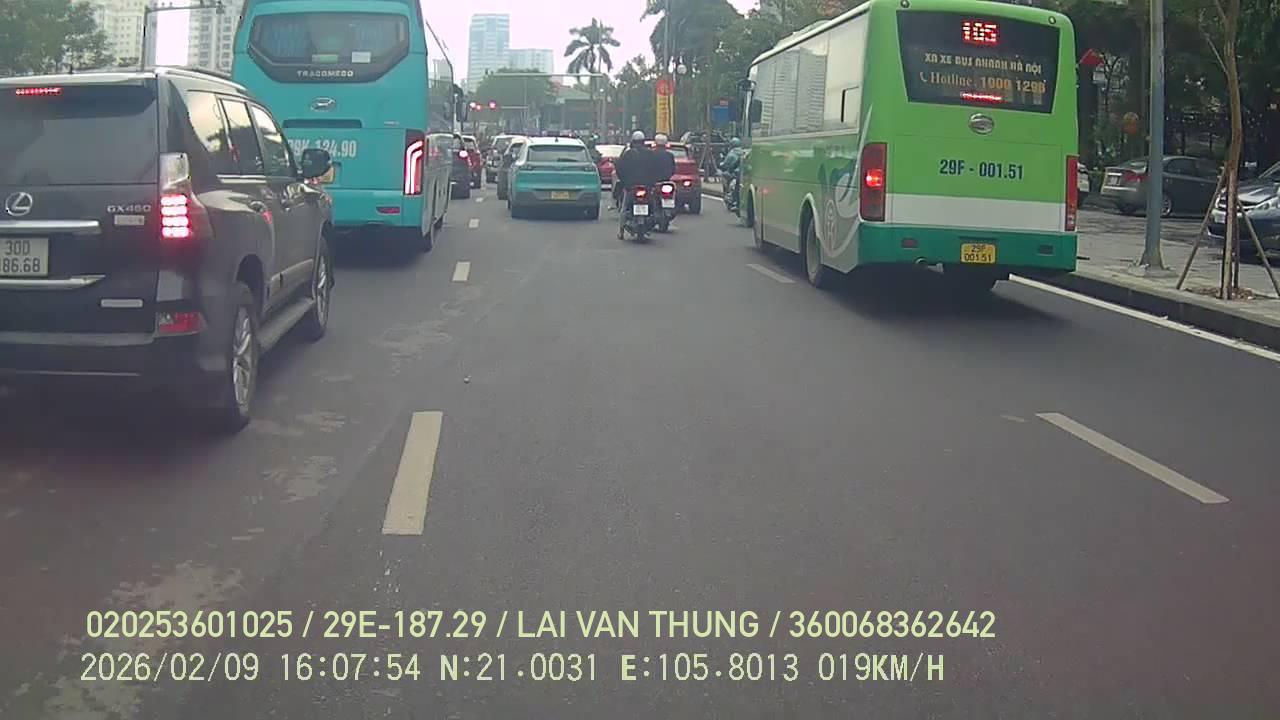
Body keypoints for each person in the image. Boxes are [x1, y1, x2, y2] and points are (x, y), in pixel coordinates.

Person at [613, 131, 664, 235]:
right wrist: (652, 182)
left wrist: (625, 182)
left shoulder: (628, 154)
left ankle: (621, 232)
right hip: (647, 186)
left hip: (631, 187)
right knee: (654, 206)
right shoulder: (650, 154)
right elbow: (657, 170)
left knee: (624, 208)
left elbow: (619, 169)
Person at [719, 137, 745, 208]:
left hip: (735, 174)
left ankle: (729, 195)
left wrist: (723, 166)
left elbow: (726, 164)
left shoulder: (731, 153)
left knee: (724, 175)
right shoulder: (743, 152)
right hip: (743, 173)